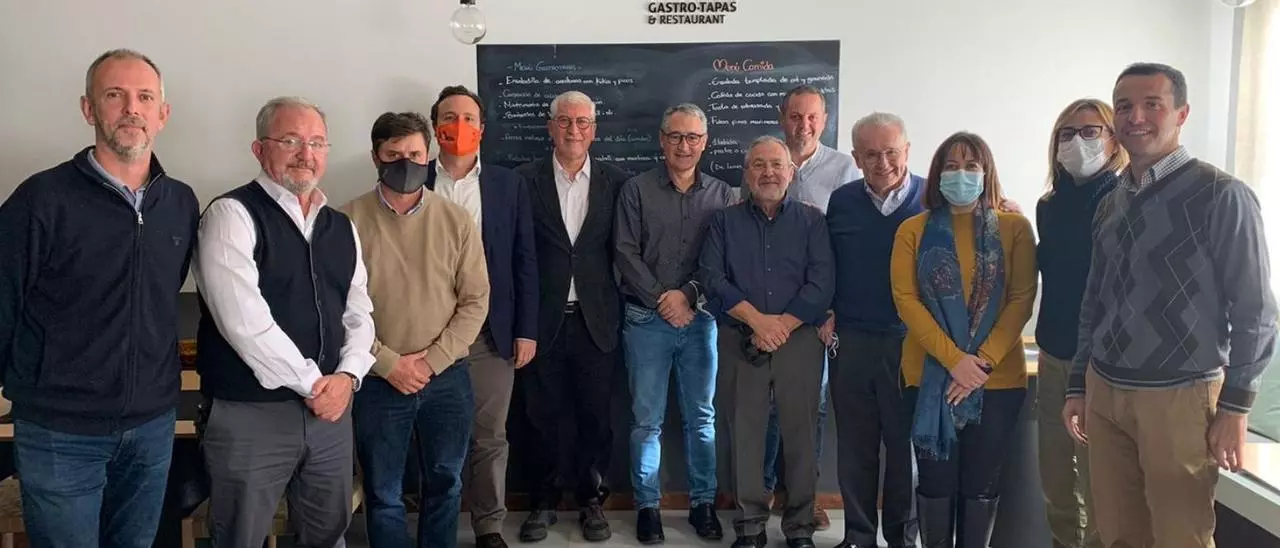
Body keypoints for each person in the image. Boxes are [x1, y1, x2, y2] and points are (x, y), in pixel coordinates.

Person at [1063, 62, 1277, 548]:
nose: (1136, 117)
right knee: (1118, 534)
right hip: (1106, 390)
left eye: (1152, 105)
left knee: (1182, 536)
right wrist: (1078, 383)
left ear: (1182, 114)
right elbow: (1094, 300)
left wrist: (1235, 407)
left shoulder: (1222, 195)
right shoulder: (1112, 202)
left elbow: (1256, 311)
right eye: (1124, 106)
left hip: (1180, 396)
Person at [0, 48, 199, 548]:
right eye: (115, 95)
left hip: (151, 426)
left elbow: (163, 292)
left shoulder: (180, 203)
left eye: (145, 97)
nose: (132, 108)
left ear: (162, 114)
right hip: (59, 430)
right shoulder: (41, 200)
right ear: (89, 109)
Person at [194, 96, 376, 548]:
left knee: (327, 534)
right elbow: (244, 323)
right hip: (251, 414)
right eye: (290, 140)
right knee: (240, 537)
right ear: (260, 149)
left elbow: (359, 311)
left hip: (331, 413)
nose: (305, 154)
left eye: (317, 142)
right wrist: (316, 385)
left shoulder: (341, 226)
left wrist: (349, 376)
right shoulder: (231, 215)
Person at [341, 111, 490, 548]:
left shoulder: (456, 220)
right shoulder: (344, 221)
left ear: (428, 157)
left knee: (445, 483)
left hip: (446, 377)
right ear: (375, 157)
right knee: (383, 490)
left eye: (414, 154)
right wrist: (388, 363)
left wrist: (431, 362)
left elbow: (475, 301)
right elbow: (337, 308)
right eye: (393, 155)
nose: (405, 162)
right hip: (376, 379)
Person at [889, 132, 1037, 548]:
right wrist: (955, 361)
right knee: (934, 481)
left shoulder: (1015, 228)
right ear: (937, 174)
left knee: (981, 482)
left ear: (987, 173)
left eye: (971, 166)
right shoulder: (912, 230)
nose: (961, 174)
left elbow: (1022, 299)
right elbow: (906, 301)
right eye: (951, 166)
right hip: (928, 377)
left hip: (998, 381)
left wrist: (980, 363)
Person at [700, 135, 835, 548]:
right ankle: (750, 526)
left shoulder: (812, 221)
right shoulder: (724, 221)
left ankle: (799, 528)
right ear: (746, 174)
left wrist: (782, 326)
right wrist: (758, 322)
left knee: (801, 437)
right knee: (745, 435)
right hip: (741, 337)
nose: (768, 172)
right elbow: (713, 278)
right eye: (758, 164)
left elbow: (822, 282)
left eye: (777, 164)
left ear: (791, 173)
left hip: (800, 341)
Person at [424, 85, 539, 548]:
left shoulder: (507, 185)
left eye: (469, 118)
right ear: (435, 128)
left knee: (490, 435)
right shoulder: (414, 179)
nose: (459, 127)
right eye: (449, 118)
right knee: (436, 435)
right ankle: (437, 525)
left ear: (483, 129)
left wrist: (526, 329)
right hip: (427, 332)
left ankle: (489, 526)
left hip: (491, 332)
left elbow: (524, 259)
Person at [615, 102, 736, 544]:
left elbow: (724, 259)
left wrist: (687, 296)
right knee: (646, 421)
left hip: (701, 321)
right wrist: (662, 299)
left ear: (705, 143)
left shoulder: (724, 195)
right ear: (662, 140)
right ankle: (648, 507)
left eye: (693, 137)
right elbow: (624, 251)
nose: (684, 146)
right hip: (645, 319)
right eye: (676, 136)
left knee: (701, 418)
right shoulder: (636, 190)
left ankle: (703, 504)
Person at [514, 91, 627, 544]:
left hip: (595, 320)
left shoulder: (617, 182)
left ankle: (591, 499)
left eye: (582, 122)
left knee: (596, 416)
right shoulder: (523, 181)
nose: (573, 130)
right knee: (540, 415)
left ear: (594, 130)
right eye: (564, 121)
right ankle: (542, 501)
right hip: (541, 321)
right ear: (550, 127)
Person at [823, 112, 924, 548]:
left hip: (911, 342)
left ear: (907, 151)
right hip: (851, 341)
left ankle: (902, 537)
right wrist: (825, 311)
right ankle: (859, 536)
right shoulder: (842, 201)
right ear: (856, 157)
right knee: (856, 448)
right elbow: (827, 263)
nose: (883, 163)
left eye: (891, 152)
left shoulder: (932, 198)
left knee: (905, 449)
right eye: (871, 154)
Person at [761, 85, 859, 529]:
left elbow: (848, 245)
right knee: (766, 405)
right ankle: (763, 490)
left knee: (810, 409)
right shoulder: (765, 161)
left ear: (825, 120)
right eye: (795, 116)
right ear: (782, 116)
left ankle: (803, 496)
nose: (804, 125)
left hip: (816, 312)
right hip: (765, 312)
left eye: (812, 117)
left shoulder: (844, 169)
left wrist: (830, 309)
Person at [1034, 99, 1127, 548]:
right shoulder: (1048, 206)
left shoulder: (1125, 200)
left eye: (1091, 132)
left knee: (1098, 484)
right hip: (1053, 353)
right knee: (1055, 480)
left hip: (1101, 365)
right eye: (1067, 134)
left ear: (1113, 140)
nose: (1078, 142)